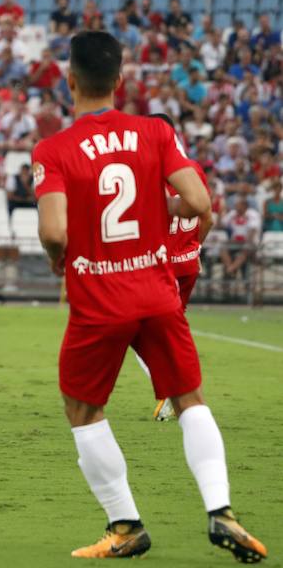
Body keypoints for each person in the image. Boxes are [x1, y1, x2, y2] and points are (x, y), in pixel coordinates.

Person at [33, 31, 266, 561]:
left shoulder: (54, 149)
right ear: (120, 81)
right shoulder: (155, 132)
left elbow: (53, 231)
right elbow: (199, 200)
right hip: (158, 292)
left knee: (83, 407)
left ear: (70, 80)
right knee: (189, 399)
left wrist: (56, 260)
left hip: (99, 301)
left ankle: (126, 525)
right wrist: (156, 215)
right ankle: (221, 511)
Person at [136, 114, 214, 422]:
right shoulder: (193, 171)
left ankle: (175, 391)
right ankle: (179, 391)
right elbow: (207, 216)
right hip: (187, 265)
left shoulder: (154, 168)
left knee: (141, 330)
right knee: (169, 329)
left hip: (162, 266)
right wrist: (196, 249)